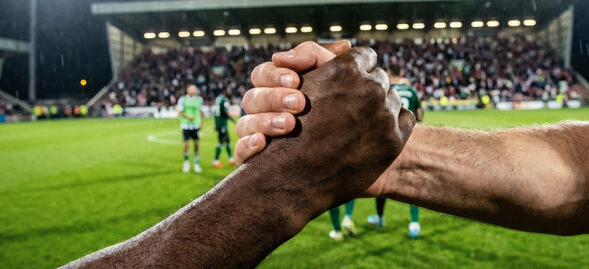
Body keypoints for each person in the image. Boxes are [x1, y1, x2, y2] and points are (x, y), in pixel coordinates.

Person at [235, 41, 589, 236]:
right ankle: (395, 220)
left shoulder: (397, 88)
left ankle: (361, 222)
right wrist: (385, 150)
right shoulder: (405, 94)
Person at [62, 47, 414, 268]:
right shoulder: (198, 102)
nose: (192, 91)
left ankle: (195, 161)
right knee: (210, 141)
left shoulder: (203, 102)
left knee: (209, 144)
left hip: (207, 129)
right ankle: (190, 162)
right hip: (208, 128)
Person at [366, 63, 423, 238]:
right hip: (410, 140)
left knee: (382, 180)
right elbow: (420, 116)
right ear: (403, 72)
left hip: (388, 141)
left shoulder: (386, 89)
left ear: (389, 73)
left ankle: (380, 217)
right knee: (412, 183)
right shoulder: (412, 91)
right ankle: (414, 223)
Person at [177, 85, 205, 173]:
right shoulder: (182, 99)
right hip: (186, 125)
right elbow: (179, 112)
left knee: (196, 145)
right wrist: (188, 116)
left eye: (195, 89)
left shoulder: (199, 99)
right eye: (192, 88)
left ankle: (196, 163)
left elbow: (201, 112)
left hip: (195, 125)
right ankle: (186, 162)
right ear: (187, 90)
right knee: (186, 145)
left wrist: (202, 123)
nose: (194, 90)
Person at [213, 89, 236, 168]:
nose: (230, 92)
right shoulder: (224, 100)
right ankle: (215, 161)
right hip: (223, 123)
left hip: (219, 123)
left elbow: (215, 112)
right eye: (228, 91)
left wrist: (216, 124)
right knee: (221, 142)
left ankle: (231, 159)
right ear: (225, 91)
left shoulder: (218, 98)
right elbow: (225, 113)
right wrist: (234, 120)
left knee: (227, 140)